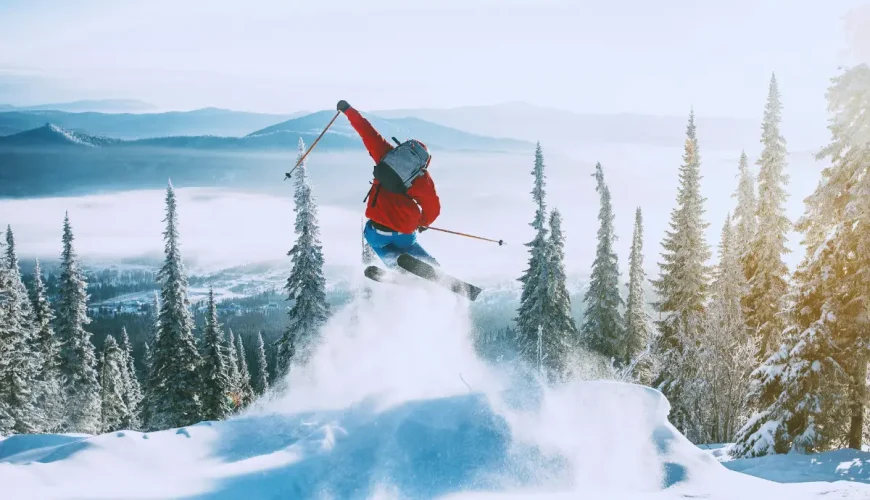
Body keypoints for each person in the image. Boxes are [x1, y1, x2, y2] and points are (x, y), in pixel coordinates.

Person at [337, 99, 441, 269]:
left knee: (376, 241)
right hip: (406, 231)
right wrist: (423, 222)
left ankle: (395, 268)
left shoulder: (385, 154)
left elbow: (366, 131)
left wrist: (347, 110)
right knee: (409, 246)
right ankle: (433, 267)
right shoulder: (422, 179)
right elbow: (433, 208)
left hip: (379, 231)